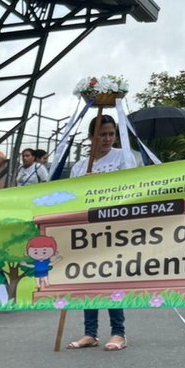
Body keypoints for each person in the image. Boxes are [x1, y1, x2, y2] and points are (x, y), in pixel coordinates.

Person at [64, 115, 138, 351]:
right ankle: (90, 332)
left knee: (110, 276)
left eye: (111, 133)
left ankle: (118, 332)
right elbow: (69, 197)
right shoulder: (78, 166)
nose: (107, 139)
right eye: (102, 134)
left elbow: (132, 186)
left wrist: (102, 182)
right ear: (91, 136)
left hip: (113, 226)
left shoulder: (123, 158)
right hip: (87, 229)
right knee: (89, 278)